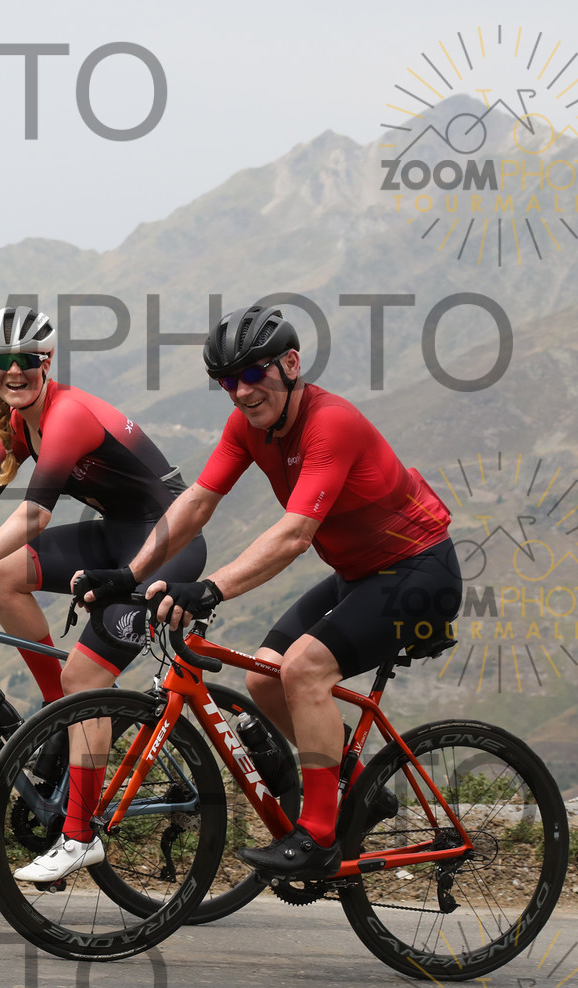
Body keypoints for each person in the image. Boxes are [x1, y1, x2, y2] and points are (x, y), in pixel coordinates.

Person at [75, 305, 461, 879]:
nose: (241, 392)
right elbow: (197, 503)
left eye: (253, 374)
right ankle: (364, 792)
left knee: (304, 670)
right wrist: (130, 574)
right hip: (359, 573)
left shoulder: (332, 423)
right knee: (264, 676)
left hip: (420, 572)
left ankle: (319, 836)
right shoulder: (248, 427)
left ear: (291, 365)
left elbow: (295, 534)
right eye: (227, 381)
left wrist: (212, 588)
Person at [0, 305, 207, 881]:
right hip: (117, 535)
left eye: (26, 360)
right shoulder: (17, 422)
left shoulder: (67, 416)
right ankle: (61, 713)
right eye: (1, 361)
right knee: (0, 575)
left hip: (168, 545)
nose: (14, 371)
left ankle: (80, 836)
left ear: (47, 361)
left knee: (88, 679)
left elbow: (34, 516)